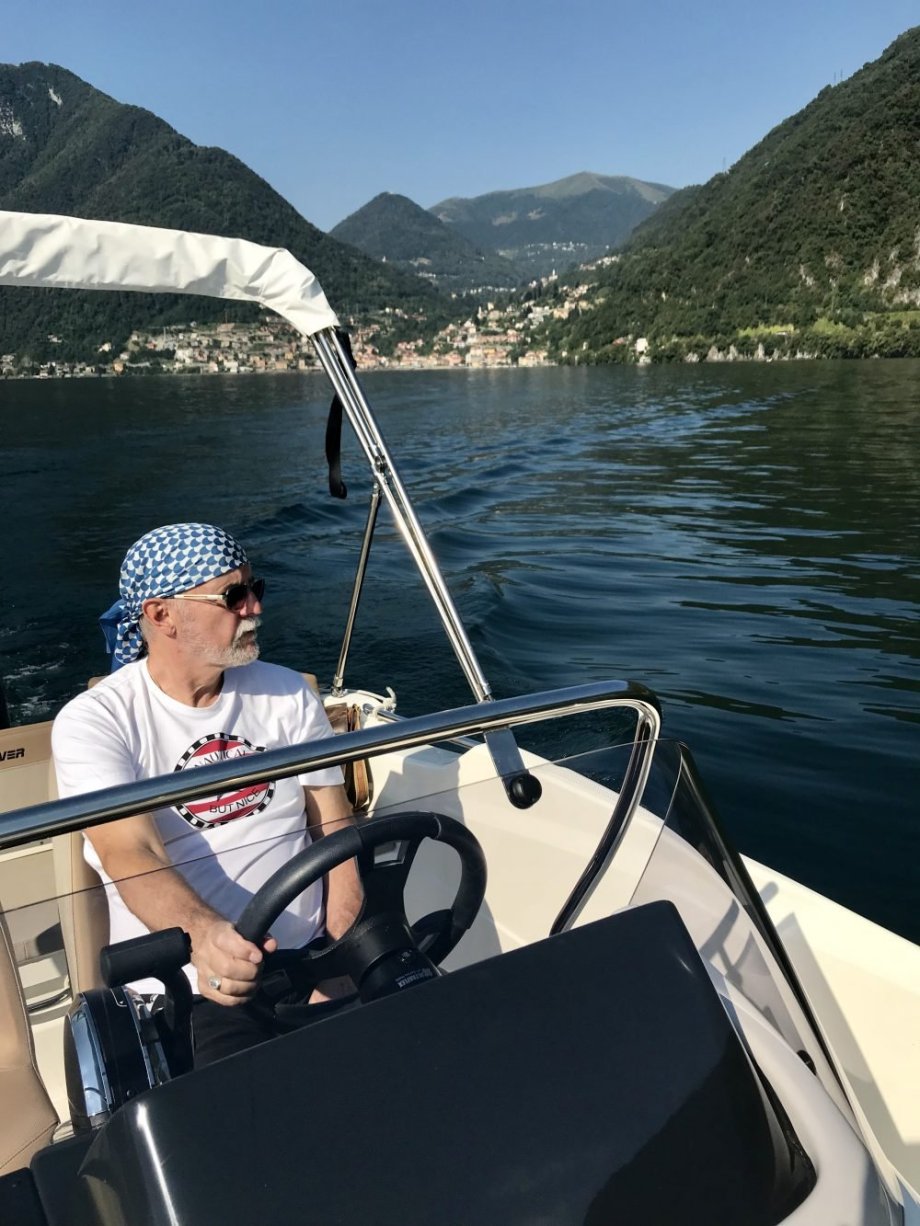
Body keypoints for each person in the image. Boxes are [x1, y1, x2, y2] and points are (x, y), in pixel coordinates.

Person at [51, 522, 362, 1063]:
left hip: (315, 958)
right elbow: (131, 854)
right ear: (161, 615)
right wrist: (204, 938)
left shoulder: (288, 692)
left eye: (255, 589)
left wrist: (337, 961)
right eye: (232, 596)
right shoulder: (96, 722)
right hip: (194, 986)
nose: (254, 609)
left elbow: (334, 830)